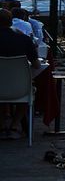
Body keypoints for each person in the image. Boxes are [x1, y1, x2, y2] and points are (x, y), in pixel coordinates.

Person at [0, 9, 38, 140]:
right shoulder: (24, 39)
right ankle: (15, 125)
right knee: (28, 91)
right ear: (11, 22)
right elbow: (37, 65)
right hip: (19, 90)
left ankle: (2, 124)